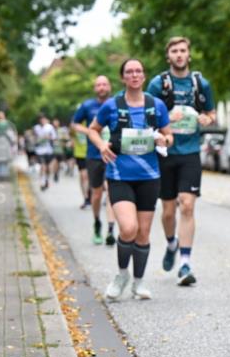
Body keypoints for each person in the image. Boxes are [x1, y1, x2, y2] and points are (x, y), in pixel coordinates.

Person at [89, 59, 173, 301]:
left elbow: (169, 136)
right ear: (123, 77)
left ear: (143, 76)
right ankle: (122, 275)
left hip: (149, 176)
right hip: (119, 176)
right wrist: (101, 145)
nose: (134, 75)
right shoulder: (111, 106)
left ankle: (139, 282)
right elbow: (93, 129)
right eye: (129, 72)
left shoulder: (156, 105)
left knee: (143, 233)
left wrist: (164, 140)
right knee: (128, 228)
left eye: (138, 71)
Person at [146, 37, 215, 286]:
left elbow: (210, 112)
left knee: (187, 205)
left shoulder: (200, 84)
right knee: (167, 212)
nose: (179, 54)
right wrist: (165, 118)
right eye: (174, 51)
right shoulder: (158, 84)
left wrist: (207, 119)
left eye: (183, 50)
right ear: (168, 56)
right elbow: (145, 115)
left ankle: (185, 263)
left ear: (189, 54)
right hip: (165, 153)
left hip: (190, 153)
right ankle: (171, 243)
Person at [72, 76, 117, 245]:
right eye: (98, 85)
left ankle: (111, 229)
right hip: (93, 155)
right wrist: (91, 131)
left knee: (111, 190)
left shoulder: (117, 104)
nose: (102, 87)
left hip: (112, 154)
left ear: (110, 86)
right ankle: (97, 222)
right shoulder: (87, 105)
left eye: (104, 84)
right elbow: (75, 124)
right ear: (94, 88)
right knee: (96, 194)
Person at [33, 114, 57, 191]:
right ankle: (42, 182)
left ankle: (47, 179)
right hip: (40, 150)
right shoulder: (36, 128)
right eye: (41, 119)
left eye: (43, 119)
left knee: (48, 168)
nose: (42, 121)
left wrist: (49, 137)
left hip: (48, 150)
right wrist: (38, 139)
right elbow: (34, 138)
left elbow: (54, 137)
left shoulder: (50, 127)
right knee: (43, 166)